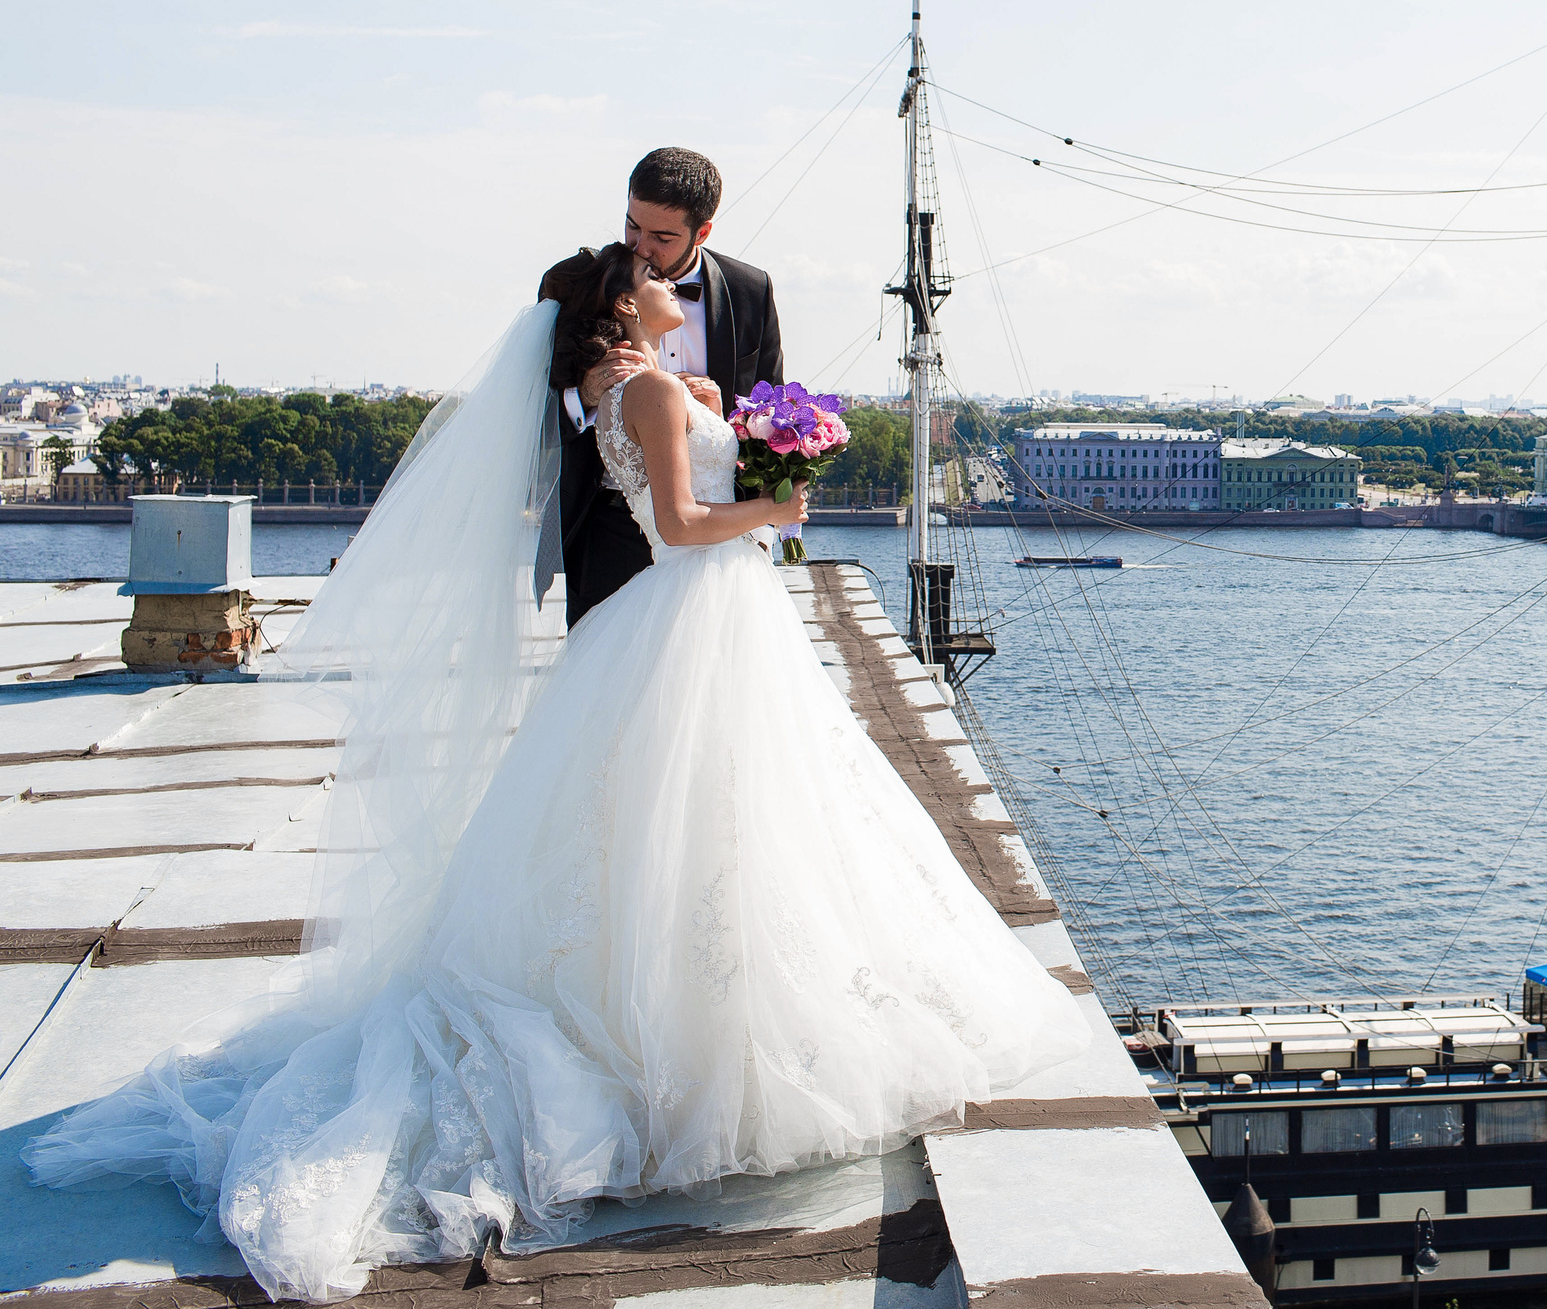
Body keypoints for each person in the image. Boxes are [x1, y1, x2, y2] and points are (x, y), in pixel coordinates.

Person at [24, 247, 1087, 1304]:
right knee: (731, 816)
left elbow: (668, 460)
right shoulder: (656, 389)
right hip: (698, 609)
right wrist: (774, 503)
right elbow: (677, 528)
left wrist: (740, 436)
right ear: (628, 304)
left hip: (672, 623)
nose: (680, 291)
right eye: (660, 283)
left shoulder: (608, 386)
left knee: (677, 824)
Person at [538, 147, 784, 627]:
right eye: (633, 225)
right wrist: (583, 398)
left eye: (662, 237)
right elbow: (524, 410)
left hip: (716, 544)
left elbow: (770, 415)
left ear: (703, 231)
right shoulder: (579, 282)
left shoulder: (750, 290)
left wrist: (724, 414)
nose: (640, 246)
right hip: (607, 527)